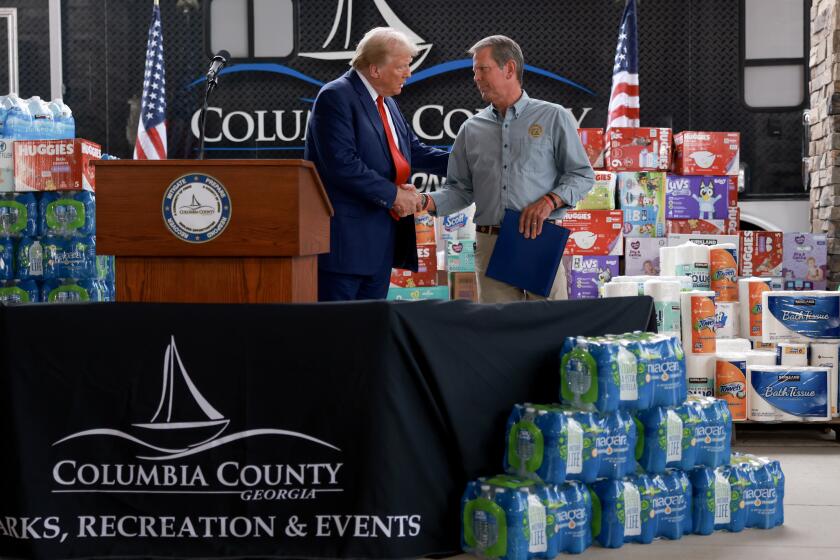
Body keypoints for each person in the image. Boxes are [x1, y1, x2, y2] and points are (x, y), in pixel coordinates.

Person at [418, 35, 594, 303]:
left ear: (509, 69)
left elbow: (582, 175)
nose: (476, 77)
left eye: (482, 69)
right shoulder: (470, 129)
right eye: (474, 71)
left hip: (537, 238)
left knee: (549, 326)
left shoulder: (553, 116)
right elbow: (459, 190)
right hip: (489, 245)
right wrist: (423, 201)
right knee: (499, 335)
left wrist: (550, 201)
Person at [305, 27, 449, 301]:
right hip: (344, 250)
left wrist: (472, 164)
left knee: (369, 334)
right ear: (375, 70)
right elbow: (342, 165)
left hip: (380, 247)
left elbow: (413, 152)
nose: (409, 73)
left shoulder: (388, 103)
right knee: (339, 336)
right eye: (403, 66)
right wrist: (394, 195)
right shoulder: (335, 96)